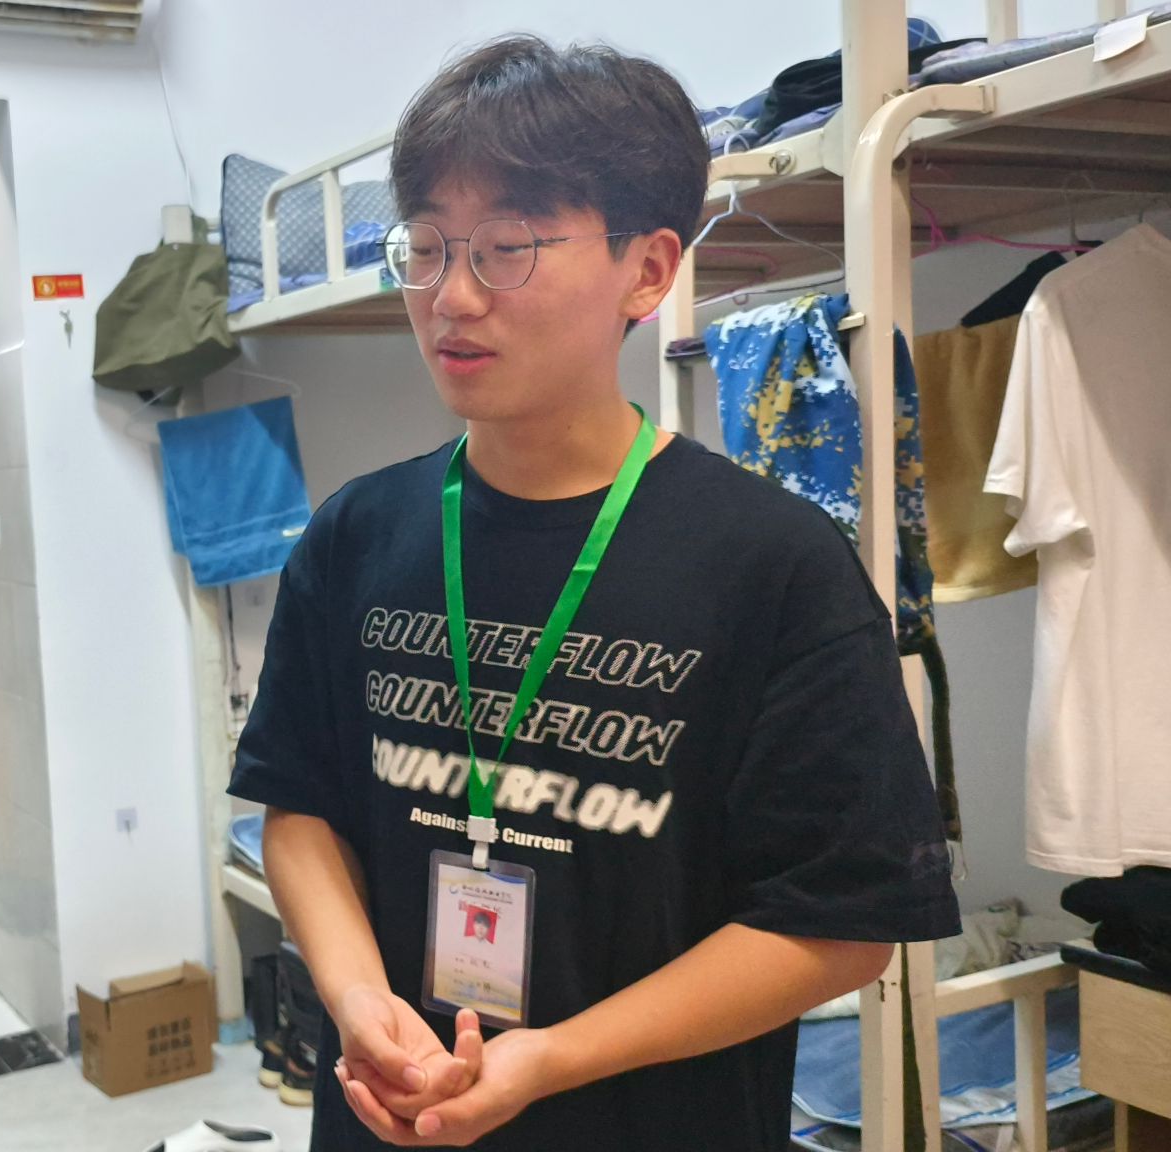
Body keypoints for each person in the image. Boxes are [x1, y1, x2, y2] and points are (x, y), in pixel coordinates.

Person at [228, 35, 960, 1151]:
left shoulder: (773, 567)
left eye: (507, 250)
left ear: (649, 270)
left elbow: (842, 927)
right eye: (424, 248)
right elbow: (298, 808)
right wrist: (358, 997)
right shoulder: (355, 536)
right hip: (387, 1113)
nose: (451, 297)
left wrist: (552, 1059)